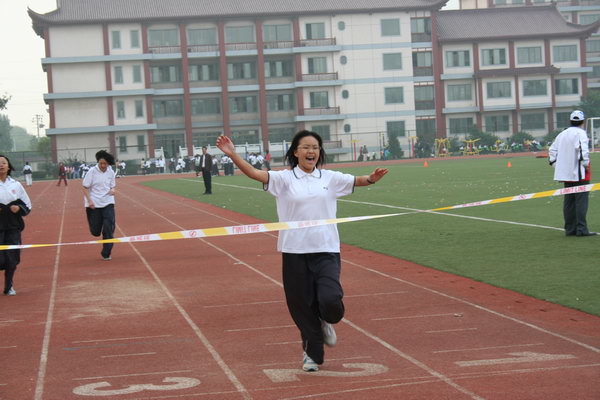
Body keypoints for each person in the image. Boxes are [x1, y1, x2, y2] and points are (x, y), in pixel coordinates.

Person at [216, 130, 388, 372]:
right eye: (306, 147)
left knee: (330, 300)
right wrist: (232, 154)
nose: (311, 151)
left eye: (315, 148)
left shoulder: (330, 178)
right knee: (301, 307)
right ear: (295, 152)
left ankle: (326, 319)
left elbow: (357, 181)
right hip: (294, 251)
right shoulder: (284, 179)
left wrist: (371, 178)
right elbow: (254, 173)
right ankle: (312, 355)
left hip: (326, 249)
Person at [549, 110, 596, 236]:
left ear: (570, 120)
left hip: (566, 174)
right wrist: (585, 165)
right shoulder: (581, 133)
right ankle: (581, 229)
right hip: (580, 173)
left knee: (569, 202)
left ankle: (570, 229)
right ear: (583, 121)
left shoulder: (562, 134)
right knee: (581, 202)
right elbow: (583, 151)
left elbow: (552, 150)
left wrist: (556, 166)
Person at [0, 155, 32, 296]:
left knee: (12, 258)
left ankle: (8, 286)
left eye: (3, 162)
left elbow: (27, 205)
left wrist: (18, 208)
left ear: (8, 166)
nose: (1, 165)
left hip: (13, 227)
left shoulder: (16, 185)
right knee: (1, 259)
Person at [82, 150, 117, 260]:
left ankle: (106, 253)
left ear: (108, 163)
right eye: (101, 163)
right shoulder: (92, 172)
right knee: (95, 231)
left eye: (105, 163)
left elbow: (113, 186)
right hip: (94, 204)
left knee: (109, 228)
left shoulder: (111, 172)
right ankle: (99, 229)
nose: (103, 165)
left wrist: (113, 190)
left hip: (108, 202)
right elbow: (85, 187)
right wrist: (89, 201)